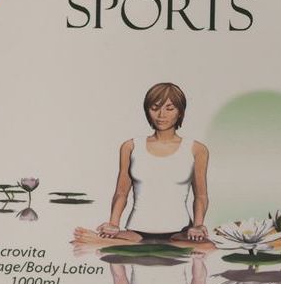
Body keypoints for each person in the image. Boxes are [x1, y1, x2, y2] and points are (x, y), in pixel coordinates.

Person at [72, 82, 214, 249]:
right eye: (155, 108)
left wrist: (198, 225)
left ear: (180, 112)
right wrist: (113, 224)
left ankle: (107, 243)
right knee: (79, 243)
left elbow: (201, 196)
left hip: (180, 233)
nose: (161, 115)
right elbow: (121, 192)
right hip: (136, 232)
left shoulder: (197, 149)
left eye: (169, 108)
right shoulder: (130, 146)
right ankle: (111, 241)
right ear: (147, 110)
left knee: (209, 248)